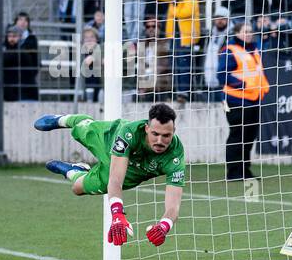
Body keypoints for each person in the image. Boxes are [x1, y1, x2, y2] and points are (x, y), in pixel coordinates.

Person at [34, 104, 186, 247]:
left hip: (131, 174)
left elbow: (173, 205)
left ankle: (75, 170)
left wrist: (164, 226)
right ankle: (63, 119)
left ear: (174, 131)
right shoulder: (129, 133)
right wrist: (118, 214)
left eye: (166, 136)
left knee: (77, 188)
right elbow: (115, 181)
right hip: (110, 140)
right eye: (155, 134)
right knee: (82, 129)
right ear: (147, 128)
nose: (160, 141)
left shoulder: (175, 156)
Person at [218, 22, 269, 181]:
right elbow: (222, 75)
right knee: (237, 135)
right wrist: (244, 85)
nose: (248, 33)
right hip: (235, 100)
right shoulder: (230, 50)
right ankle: (233, 172)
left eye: (250, 31)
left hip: (253, 99)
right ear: (236, 33)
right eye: (244, 31)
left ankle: (244, 170)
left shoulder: (254, 50)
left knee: (249, 136)